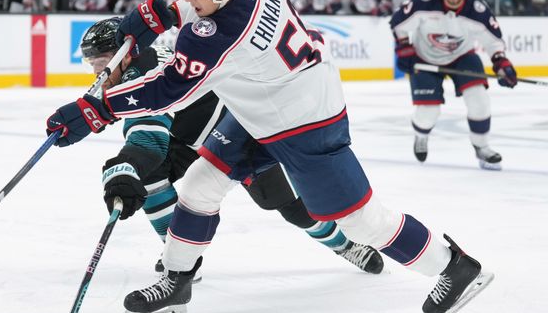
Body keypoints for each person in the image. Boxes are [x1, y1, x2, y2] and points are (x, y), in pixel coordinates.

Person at [44, 0, 494, 313]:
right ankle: (176, 284)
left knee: (359, 219)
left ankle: (455, 267)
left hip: (306, 122)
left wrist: (95, 109)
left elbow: (167, 92)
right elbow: (197, 6)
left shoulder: (219, 35)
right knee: (200, 186)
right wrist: (157, 12)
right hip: (266, 101)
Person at [81, 17, 383, 292]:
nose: (97, 72)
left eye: (103, 61)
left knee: (287, 205)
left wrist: (124, 166)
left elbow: (149, 137)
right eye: (91, 63)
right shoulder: (140, 61)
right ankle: (180, 258)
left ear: (125, 53)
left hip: (236, 133)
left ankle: (344, 245)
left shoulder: (138, 72)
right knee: (150, 174)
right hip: (190, 136)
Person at [390, 0, 516, 169]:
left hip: (462, 56)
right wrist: (404, 48)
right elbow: (398, 23)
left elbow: (493, 42)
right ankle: (421, 135)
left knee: (479, 100)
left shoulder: (477, 9)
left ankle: (481, 146)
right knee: (427, 114)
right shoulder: (424, 2)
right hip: (424, 58)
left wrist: (501, 63)